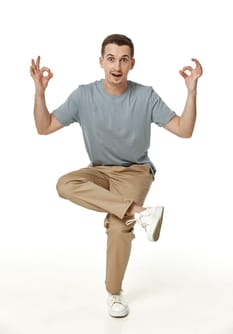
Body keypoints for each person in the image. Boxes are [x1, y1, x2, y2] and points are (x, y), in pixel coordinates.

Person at [30, 33, 203, 318]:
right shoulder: (83, 96)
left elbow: (184, 130)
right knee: (65, 184)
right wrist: (39, 92)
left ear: (132, 63)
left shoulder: (145, 95)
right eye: (111, 58)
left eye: (124, 59)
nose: (117, 66)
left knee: (120, 226)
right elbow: (44, 126)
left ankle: (114, 292)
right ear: (101, 62)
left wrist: (192, 91)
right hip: (98, 171)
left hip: (135, 171)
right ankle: (140, 212)